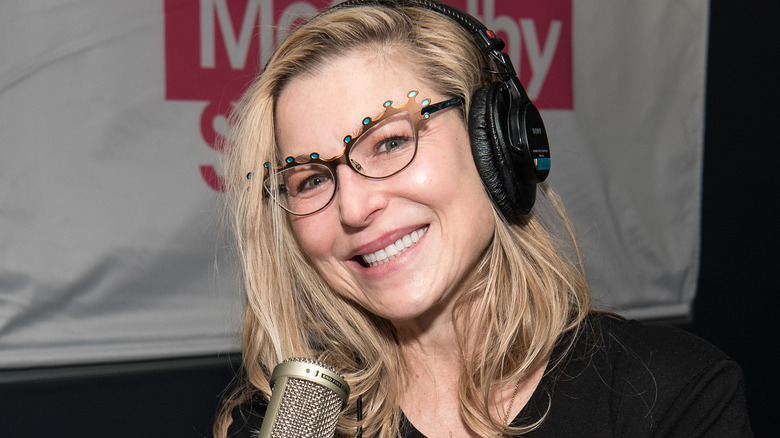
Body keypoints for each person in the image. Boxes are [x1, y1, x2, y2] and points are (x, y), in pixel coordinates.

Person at [214, 1, 752, 437]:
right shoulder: (284, 423)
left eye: (391, 142)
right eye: (310, 179)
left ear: (491, 145)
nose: (354, 208)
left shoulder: (673, 394)